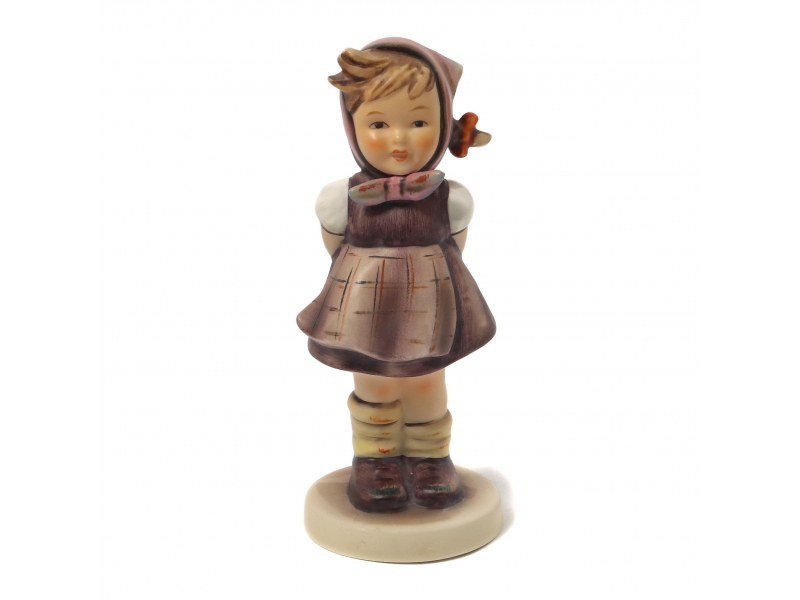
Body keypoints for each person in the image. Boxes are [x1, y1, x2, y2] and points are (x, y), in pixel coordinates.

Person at [297, 38, 495, 512]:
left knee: (426, 382)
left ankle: (430, 459)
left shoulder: (452, 198)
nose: (399, 140)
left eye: (419, 122)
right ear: (353, 128)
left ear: (445, 125)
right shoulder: (339, 198)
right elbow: (335, 247)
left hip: (432, 303)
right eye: (379, 124)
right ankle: (376, 460)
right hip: (365, 306)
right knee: (375, 383)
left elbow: (455, 250)